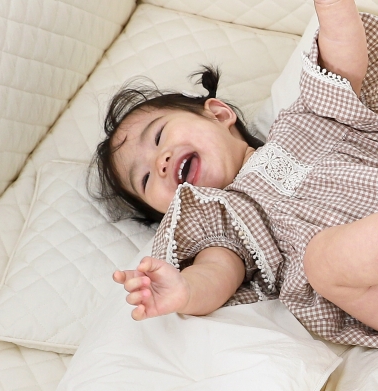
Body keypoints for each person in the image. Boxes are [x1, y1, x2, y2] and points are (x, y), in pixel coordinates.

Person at [92, 0, 378, 347]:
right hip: (363, 281)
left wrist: (333, 9)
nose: (160, 163)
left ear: (218, 113)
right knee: (322, 265)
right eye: (146, 179)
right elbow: (215, 274)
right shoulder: (223, 220)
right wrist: (184, 290)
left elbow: (342, 67)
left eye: (159, 136)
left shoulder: (302, 123)